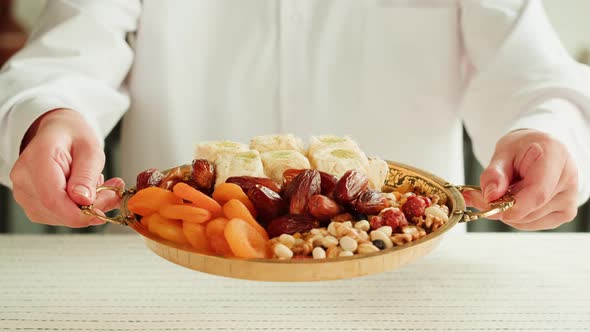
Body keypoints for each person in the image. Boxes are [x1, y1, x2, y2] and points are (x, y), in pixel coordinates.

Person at [0, 0, 589, 230]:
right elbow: (67, 57)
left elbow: (538, 78)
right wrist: (48, 117)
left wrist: (549, 137)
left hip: (405, 290)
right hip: (175, 286)